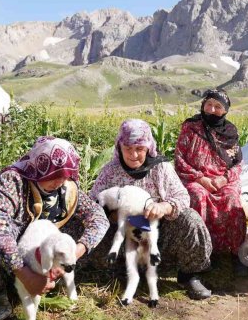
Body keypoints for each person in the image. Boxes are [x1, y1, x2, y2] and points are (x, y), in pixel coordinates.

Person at [0, 136, 109, 320]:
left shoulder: (66, 189)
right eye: (53, 175)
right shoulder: (14, 182)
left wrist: (72, 255)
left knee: (80, 227)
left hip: (40, 255)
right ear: (39, 166)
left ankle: (52, 278)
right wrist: (24, 273)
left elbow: (99, 218)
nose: (59, 181)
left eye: (64, 175)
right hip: (10, 258)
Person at [89, 119, 213, 300]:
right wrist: (112, 214)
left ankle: (189, 275)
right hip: (125, 236)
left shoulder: (161, 168)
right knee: (95, 229)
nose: (133, 155)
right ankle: (121, 271)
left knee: (190, 219)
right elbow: (93, 202)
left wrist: (164, 207)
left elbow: (182, 196)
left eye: (139, 149)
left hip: (158, 236)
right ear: (119, 147)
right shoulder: (110, 171)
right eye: (128, 149)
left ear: (148, 148)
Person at [174, 89, 248, 276]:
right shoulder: (190, 127)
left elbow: (238, 163)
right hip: (196, 178)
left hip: (223, 180)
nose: (212, 109)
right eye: (209, 104)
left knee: (231, 198)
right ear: (203, 105)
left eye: (218, 106)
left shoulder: (230, 132)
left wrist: (224, 179)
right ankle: (201, 253)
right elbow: (180, 159)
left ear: (225, 110)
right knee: (198, 196)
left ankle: (234, 252)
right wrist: (201, 178)